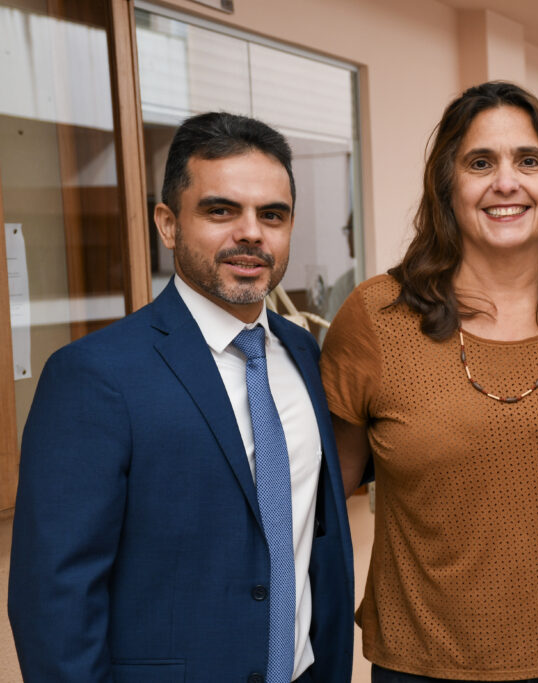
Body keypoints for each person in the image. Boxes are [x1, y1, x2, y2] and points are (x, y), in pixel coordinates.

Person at [8, 112, 356, 682]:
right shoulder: (94, 376)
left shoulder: (302, 351)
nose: (251, 233)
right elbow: (55, 600)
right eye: (221, 211)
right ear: (168, 225)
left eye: (272, 215)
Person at [320, 81, 538, 681]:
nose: (506, 182)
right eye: (480, 163)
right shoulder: (377, 315)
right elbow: (318, 501)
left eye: (529, 161)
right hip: (428, 663)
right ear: (447, 185)